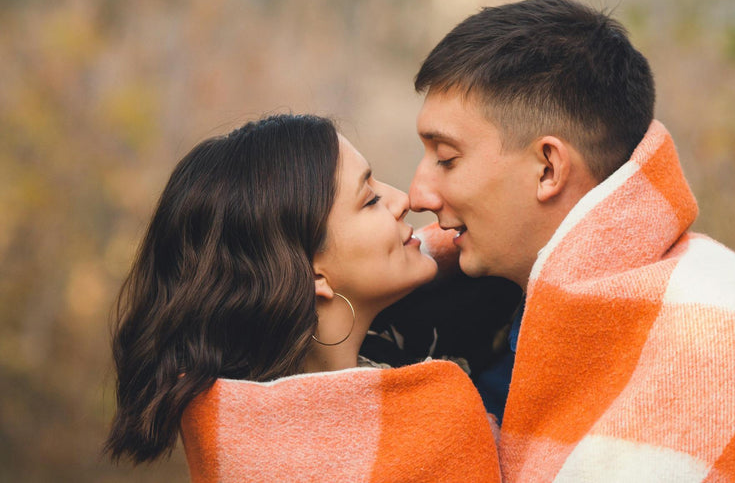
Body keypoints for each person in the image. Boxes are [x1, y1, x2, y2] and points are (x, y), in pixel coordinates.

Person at [409, 0, 735, 482]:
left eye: (446, 159)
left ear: (548, 168)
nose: (417, 194)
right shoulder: (474, 320)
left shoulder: (725, 332)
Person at [104, 114, 502, 482]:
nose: (404, 200)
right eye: (370, 200)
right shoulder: (428, 414)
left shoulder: (430, 332)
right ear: (312, 273)